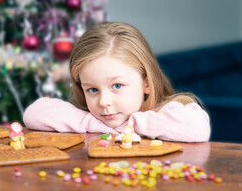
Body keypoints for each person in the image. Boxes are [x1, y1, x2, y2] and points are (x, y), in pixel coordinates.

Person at [23, 22, 210, 142]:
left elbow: (197, 128)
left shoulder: (167, 113)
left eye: (117, 86)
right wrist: (91, 123)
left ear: (146, 83)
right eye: (93, 90)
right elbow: (34, 113)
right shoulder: (89, 118)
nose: (104, 102)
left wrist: (129, 125)